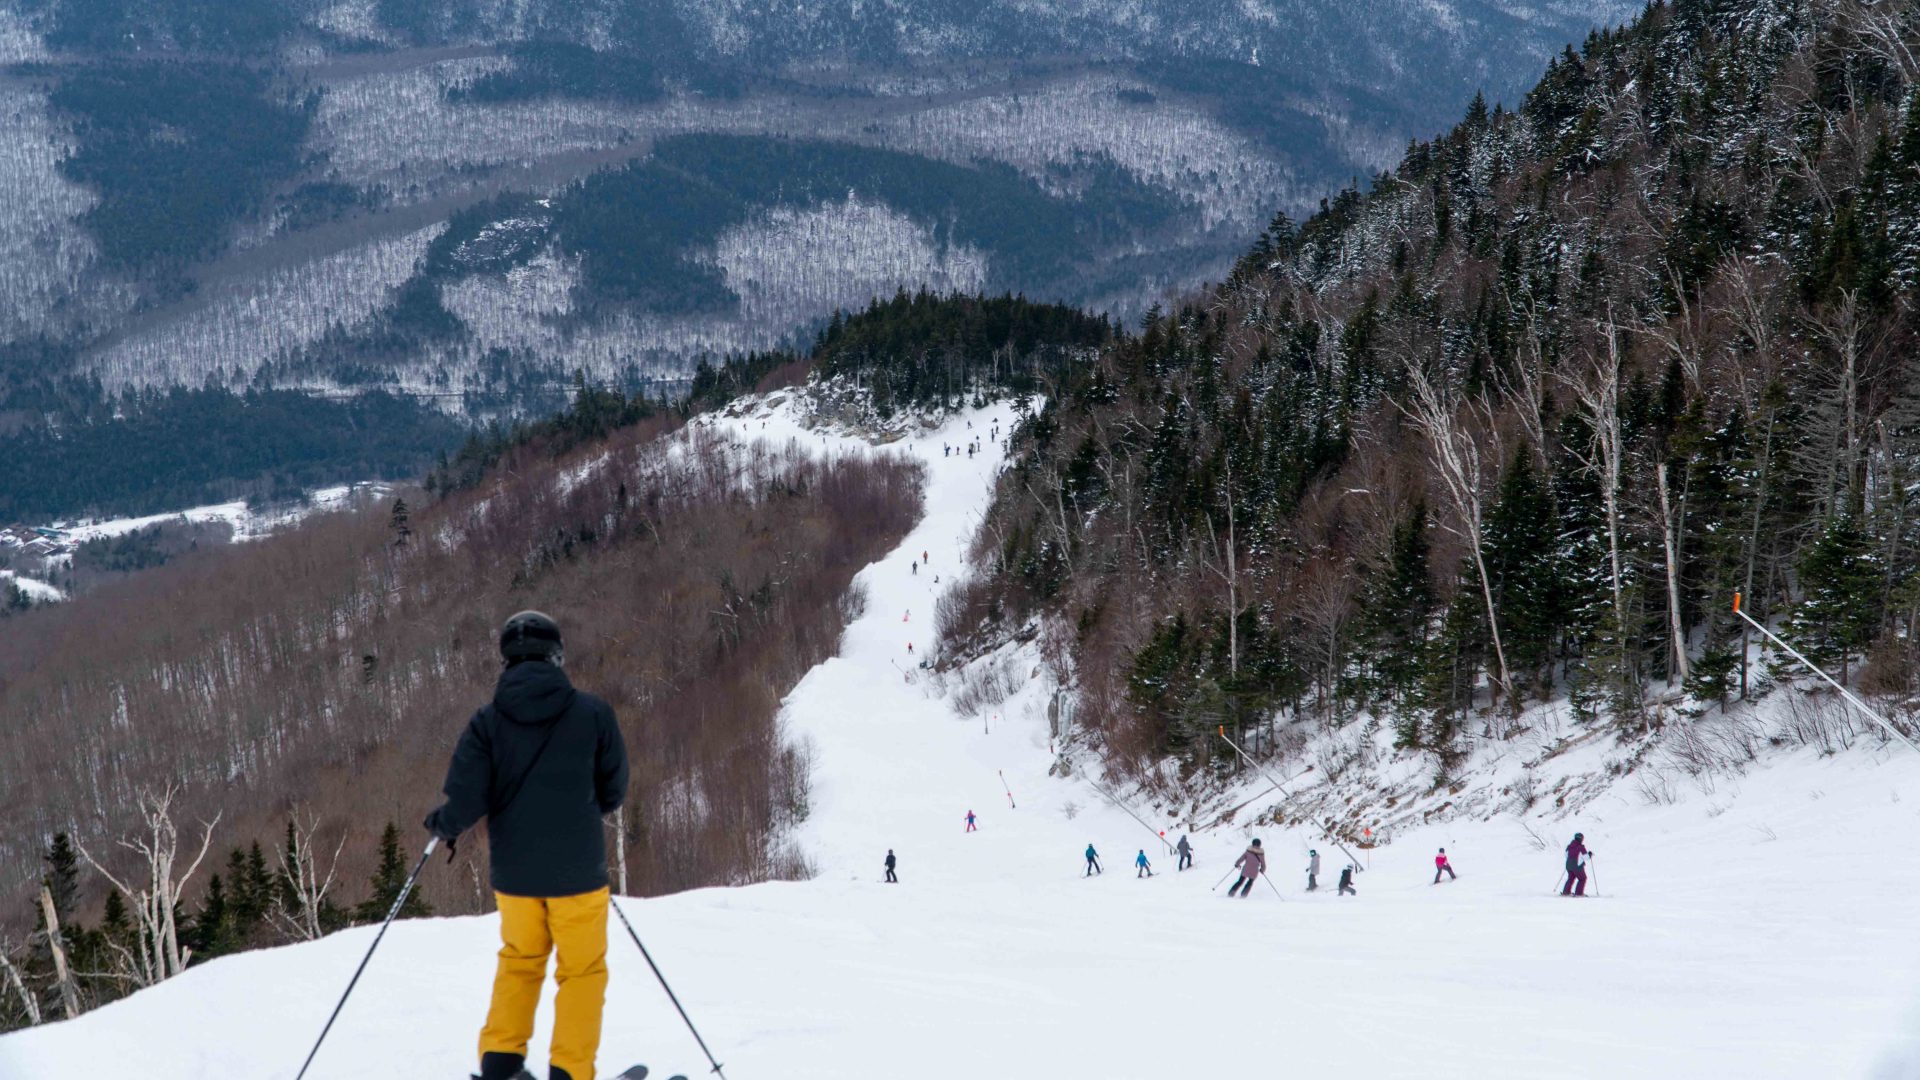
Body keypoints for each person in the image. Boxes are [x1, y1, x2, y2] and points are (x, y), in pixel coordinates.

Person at [424, 611, 628, 1080]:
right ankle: (571, 1071)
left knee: (520, 962)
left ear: (507, 661)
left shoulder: (487, 723)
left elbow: (466, 797)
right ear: (557, 656)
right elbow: (613, 791)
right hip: (578, 873)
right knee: (581, 972)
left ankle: (499, 1063)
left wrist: (443, 825)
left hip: (515, 877)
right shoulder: (593, 714)